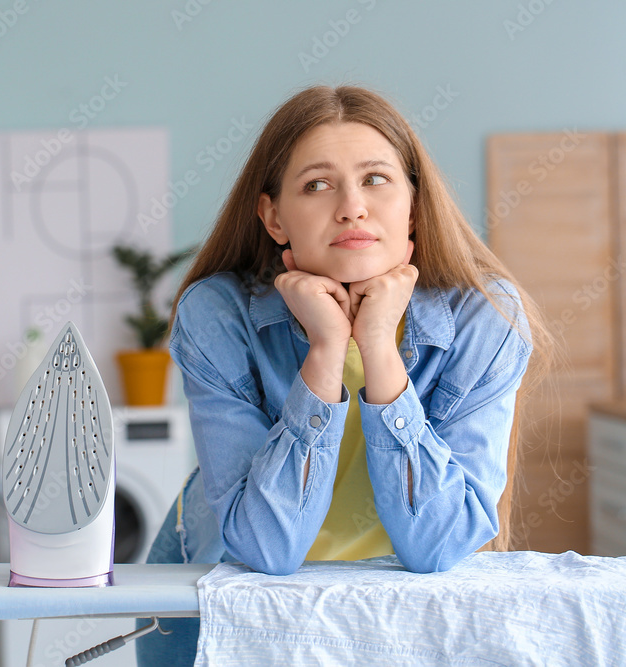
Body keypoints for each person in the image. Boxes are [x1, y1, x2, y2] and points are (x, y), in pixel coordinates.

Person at [135, 84, 552, 666]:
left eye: (376, 179)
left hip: (389, 607)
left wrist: (379, 349)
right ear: (274, 217)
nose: (352, 206)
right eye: (317, 185)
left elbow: (440, 542)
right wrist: (326, 352)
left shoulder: (487, 317)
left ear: (413, 204)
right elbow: (266, 547)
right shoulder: (218, 314)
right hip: (217, 598)